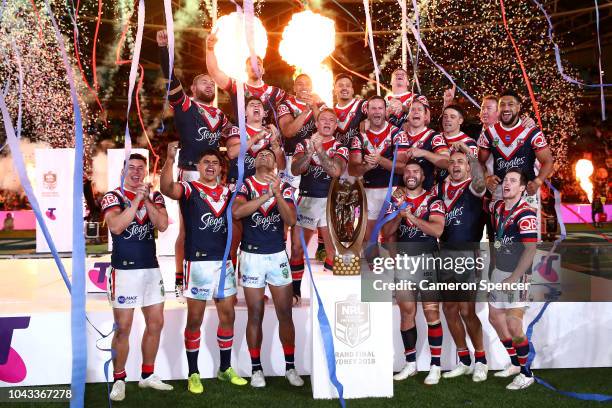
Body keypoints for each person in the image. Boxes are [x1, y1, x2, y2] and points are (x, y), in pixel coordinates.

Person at [160, 144, 247, 394]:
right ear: (198, 167)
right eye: (206, 162)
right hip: (196, 263)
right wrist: (169, 159)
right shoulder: (189, 189)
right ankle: (193, 373)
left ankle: (225, 368)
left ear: (221, 168)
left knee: (228, 316)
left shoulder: (229, 193)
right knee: (194, 319)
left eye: (215, 163)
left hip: (223, 264)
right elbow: (166, 188)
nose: (210, 166)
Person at [157, 29, 232, 302]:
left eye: (211, 82)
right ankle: (180, 278)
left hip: (215, 173)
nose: (209, 84)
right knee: (188, 228)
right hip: (190, 171)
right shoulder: (186, 105)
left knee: (214, 223)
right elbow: (170, 81)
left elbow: (236, 138)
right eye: (202, 82)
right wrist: (164, 51)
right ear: (193, 89)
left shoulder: (221, 116)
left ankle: (213, 274)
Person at [101, 153, 172, 401]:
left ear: (145, 172)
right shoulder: (113, 196)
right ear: (123, 171)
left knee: (156, 323)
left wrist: (146, 200)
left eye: (140, 168)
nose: (135, 172)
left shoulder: (154, 196)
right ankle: (119, 379)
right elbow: (117, 226)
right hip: (124, 270)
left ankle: (147, 375)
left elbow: (162, 225)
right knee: (123, 328)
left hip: (150, 269)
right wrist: (135, 203)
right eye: (130, 168)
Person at [232, 148, 304, 388]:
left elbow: (291, 220)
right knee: (255, 314)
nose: (264, 157)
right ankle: (256, 369)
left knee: (285, 313)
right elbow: (237, 211)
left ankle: (290, 367)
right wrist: (265, 196)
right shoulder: (245, 185)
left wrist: (277, 195)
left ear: (275, 162)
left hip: (276, 256)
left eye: (269, 155)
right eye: (260, 155)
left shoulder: (284, 186)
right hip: (252, 256)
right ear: (254, 161)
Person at [382, 161, 446, 385]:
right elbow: (386, 232)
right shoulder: (395, 201)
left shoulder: (433, 200)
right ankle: (410, 364)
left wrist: (411, 217)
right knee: (406, 312)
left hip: (428, 260)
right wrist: (399, 215)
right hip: (405, 262)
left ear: (422, 176)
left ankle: (435, 366)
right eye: (407, 171)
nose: (411, 174)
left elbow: (437, 229)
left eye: (416, 171)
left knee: (431, 313)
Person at [430, 142, 488, 382]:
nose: (455, 165)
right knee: (450, 309)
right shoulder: (441, 188)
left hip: (467, 255)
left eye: (460, 162)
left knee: (467, 310)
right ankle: (464, 360)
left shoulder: (474, 187)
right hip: (444, 253)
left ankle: (481, 360)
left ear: (468, 166)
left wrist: (470, 154)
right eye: (452, 162)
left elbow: (481, 182)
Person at [289, 108, 349, 303]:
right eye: (323, 119)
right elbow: (296, 169)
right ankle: (295, 293)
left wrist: (321, 151)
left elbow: (336, 171)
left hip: (330, 201)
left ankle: (331, 293)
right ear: (316, 123)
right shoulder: (303, 144)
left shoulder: (341, 147)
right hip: (307, 199)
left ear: (335, 125)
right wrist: (309, 153)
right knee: (297, 248)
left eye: (332, 120)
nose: (327, 123)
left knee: (333, 250)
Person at [488, 168, 538, 390]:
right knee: (495, 319)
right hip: (499, 271)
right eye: (506, 180)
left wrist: (514, 277)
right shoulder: (498, 207)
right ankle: (516, 363)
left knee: (513, 324)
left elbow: (530, 250)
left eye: (513, 181)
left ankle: (527, 373)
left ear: (522, 188)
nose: (507, 184)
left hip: (518, 275)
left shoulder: (526, 213)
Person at [348, 95, 408, 248]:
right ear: (367, 111)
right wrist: (366, 167)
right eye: (373, 108)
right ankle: (374, 270)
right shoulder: (359, 137)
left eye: (380, 108)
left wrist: (379, 160)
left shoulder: (398, 134)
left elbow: (402, 167)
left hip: (392, 189)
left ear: (386, 110)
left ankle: (394, 270)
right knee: (369, 237)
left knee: (390, 235)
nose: (377, 112)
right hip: (369, 190)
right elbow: (353, 169)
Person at [478, 90, 554, 207]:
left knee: (526, 225)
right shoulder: (489, 133)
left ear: (518, 107)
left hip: (526, 193)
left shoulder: (531, 131)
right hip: (500, 194)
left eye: (511, 104)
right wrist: (486, 178)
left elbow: (548, 161)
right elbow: (479, 162)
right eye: (502, 104)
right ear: (498, 108)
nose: (506, 108)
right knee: (500, 226)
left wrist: (538, 182)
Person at [206, 32, 285, 126]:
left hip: (266, 138)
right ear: (245, 69)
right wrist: (210, 49)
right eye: (251, 64)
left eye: (258, 64)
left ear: (263, 70)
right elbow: (214, 72)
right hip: (242, 139)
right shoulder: (236, 87)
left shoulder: (275, 92)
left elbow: (296, 104)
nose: (254, 66)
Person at [402, 95, 450, 191]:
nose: (416, 112)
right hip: (400, 193)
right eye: (412, 109)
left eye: (419, 110)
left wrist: (424, 153)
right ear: (408, 116)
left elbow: (447, 162)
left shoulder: (434, 136)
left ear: (425, 116)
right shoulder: (398, 135)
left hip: (425, 194)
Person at [333, 73, 368, 147]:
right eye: (340, 85)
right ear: (334, 90)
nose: (344, 88)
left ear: (352, 90)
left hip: (360, 156)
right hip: (337, 156)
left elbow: (378, 110)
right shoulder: (330, 111)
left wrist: (370, 119)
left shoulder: (362, 104)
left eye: (348, 86)